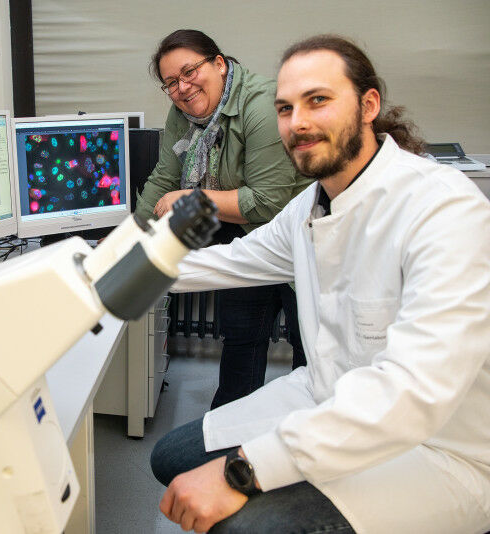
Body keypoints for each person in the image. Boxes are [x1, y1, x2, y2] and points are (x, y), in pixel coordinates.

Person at [150, 34, 490, 534]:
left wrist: (245, 470)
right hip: (325, 393)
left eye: (318, 100)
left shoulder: (443, 209)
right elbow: (238, 259)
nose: (298, 123)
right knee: (170, 458)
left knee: (245, 524)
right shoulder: (311, 205)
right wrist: (114, 275)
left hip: (435, 448)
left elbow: (411, 392)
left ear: (368, 105)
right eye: (285, 108)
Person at [136, 30, 311, 408]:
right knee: (242, 338)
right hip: (244, 236)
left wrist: (193, 199)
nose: (182, 88)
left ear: (219, 64)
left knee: (309, 352)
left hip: (301, 239)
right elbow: (165, 177)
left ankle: (301, 434)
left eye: (189, 72)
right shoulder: (183, 114)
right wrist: (131, 236)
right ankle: (230, 427)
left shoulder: (262, 105)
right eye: (171, 82)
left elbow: (268, 202)